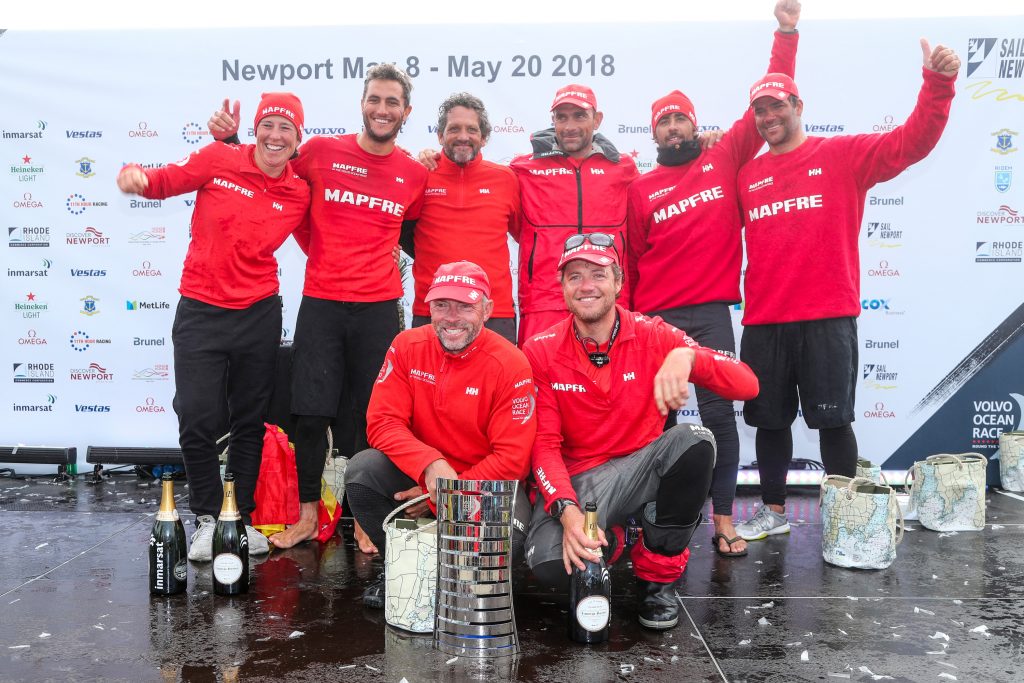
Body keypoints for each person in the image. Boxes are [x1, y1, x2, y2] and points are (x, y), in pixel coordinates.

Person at [733, 40, 961, 542]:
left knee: (834, 424)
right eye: (761, 109)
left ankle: (849, 517)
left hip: (827, 318)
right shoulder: (746, 175)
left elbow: (911, 142)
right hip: (764, 321)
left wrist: (937, 85)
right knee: (770, 423)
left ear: (798, 107)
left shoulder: (840, 155)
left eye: (778, 105)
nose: (769, 116)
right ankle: (772, 511)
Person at [208, 65, 429, 549]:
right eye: (375, 99)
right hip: (323, 303)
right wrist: (225, 145)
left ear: (406, 112)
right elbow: (268, 167)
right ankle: (308, 515)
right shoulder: (321, 152)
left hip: (379, 308)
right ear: (362, 103)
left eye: (393, 102)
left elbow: (411, 228)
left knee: (371, 416)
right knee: (309, 413)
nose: (382, 109)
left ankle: (370, 518)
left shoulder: (414, 173)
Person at [626, 0, 800, 558]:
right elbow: (629, 261)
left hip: (711, 314)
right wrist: (630, 323)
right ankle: (657, 523)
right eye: (663, 120)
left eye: (681, 117)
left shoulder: (723, 155)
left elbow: (774, 99)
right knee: (657, 427)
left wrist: (786, 32)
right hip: (655, 321)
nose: (673, 126)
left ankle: (723, 520)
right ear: (653, 130)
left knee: (721, 418)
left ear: (694, 124)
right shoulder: (641, 188)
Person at [522, 236, 759, 629]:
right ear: (562, 287)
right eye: (574, 276)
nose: (586, 286)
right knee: (549, 566)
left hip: (643, 472)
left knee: (695, 441)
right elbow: (544, 446)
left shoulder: (655, 335)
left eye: (598, 274)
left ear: (618, 283)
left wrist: (688, 356)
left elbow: (747, 385)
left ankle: (657, 580)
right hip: (586, 486)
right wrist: (567, 513)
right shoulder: (540, 350)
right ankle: (615, 539)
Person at [118, 92, 311, 560]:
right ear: (257, 129)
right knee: (198, 415)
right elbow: (163, 181)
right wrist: (138, 179)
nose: (275, 136)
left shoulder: (299, 192)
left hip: (260, 313)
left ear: (298, 138)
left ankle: (237, 518)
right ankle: (207, 517)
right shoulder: (218, 157)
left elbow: (322, 243)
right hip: (201, 310)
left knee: (250, 420)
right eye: (268, 125)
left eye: (286, 128)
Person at [345, 261, 537, 607]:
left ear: (487, 309)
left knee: (503, 543)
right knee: (362, 471)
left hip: (482, 485)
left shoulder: (511, 364)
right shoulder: (406, 346)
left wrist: (437, 496)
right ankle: (403, 566)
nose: (451, 317)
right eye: (442, 305)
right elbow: (381, 422)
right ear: (427, 307)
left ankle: (446, 570)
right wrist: (429, 464)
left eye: (465, 305)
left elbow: (512, 462)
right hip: (423, 476)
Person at [510, 84, 639, 345]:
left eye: (579, 116)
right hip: (544, 300)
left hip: (607, 297)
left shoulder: (623, 168)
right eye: (562, 117)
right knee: (541, 382)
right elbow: (513, 223)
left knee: (609, 382)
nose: (569, 126)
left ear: (597, 119)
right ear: (553, 120)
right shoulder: (523, 168)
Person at [402, 93, 521, 344]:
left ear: (485, 137)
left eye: (472, 129)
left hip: (493, 313)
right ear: (440, 136)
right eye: (454, 128)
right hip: (433, 311)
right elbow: (399, 231)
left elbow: (524, 235)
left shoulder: (506, 179)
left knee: (497, 385)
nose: (463, 136)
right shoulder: (419, 175)